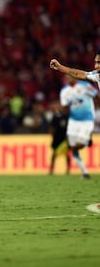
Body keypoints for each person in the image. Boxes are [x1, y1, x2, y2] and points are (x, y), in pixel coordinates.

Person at [50, 51, 100, 179]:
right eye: (95, 62)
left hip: (87, 119)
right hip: (74, 121)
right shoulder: (96, 76)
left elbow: (95, 96)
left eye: (99, 62)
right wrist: (61, 68)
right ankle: (84, 172)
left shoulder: (85, 87)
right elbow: (80, 73)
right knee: (73, 148)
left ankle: (85, 139)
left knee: (77, 145)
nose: (96, 66)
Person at [48, 100, 71, 175]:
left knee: (66, 154)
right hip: (56, 137)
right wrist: (51, 134)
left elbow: (69, 128)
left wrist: (68, 137)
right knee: (54, 154)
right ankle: (51, 169)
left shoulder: (66, 116)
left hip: (63, 138)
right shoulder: (55, 116)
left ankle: (68, 169)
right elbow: (52, 127)